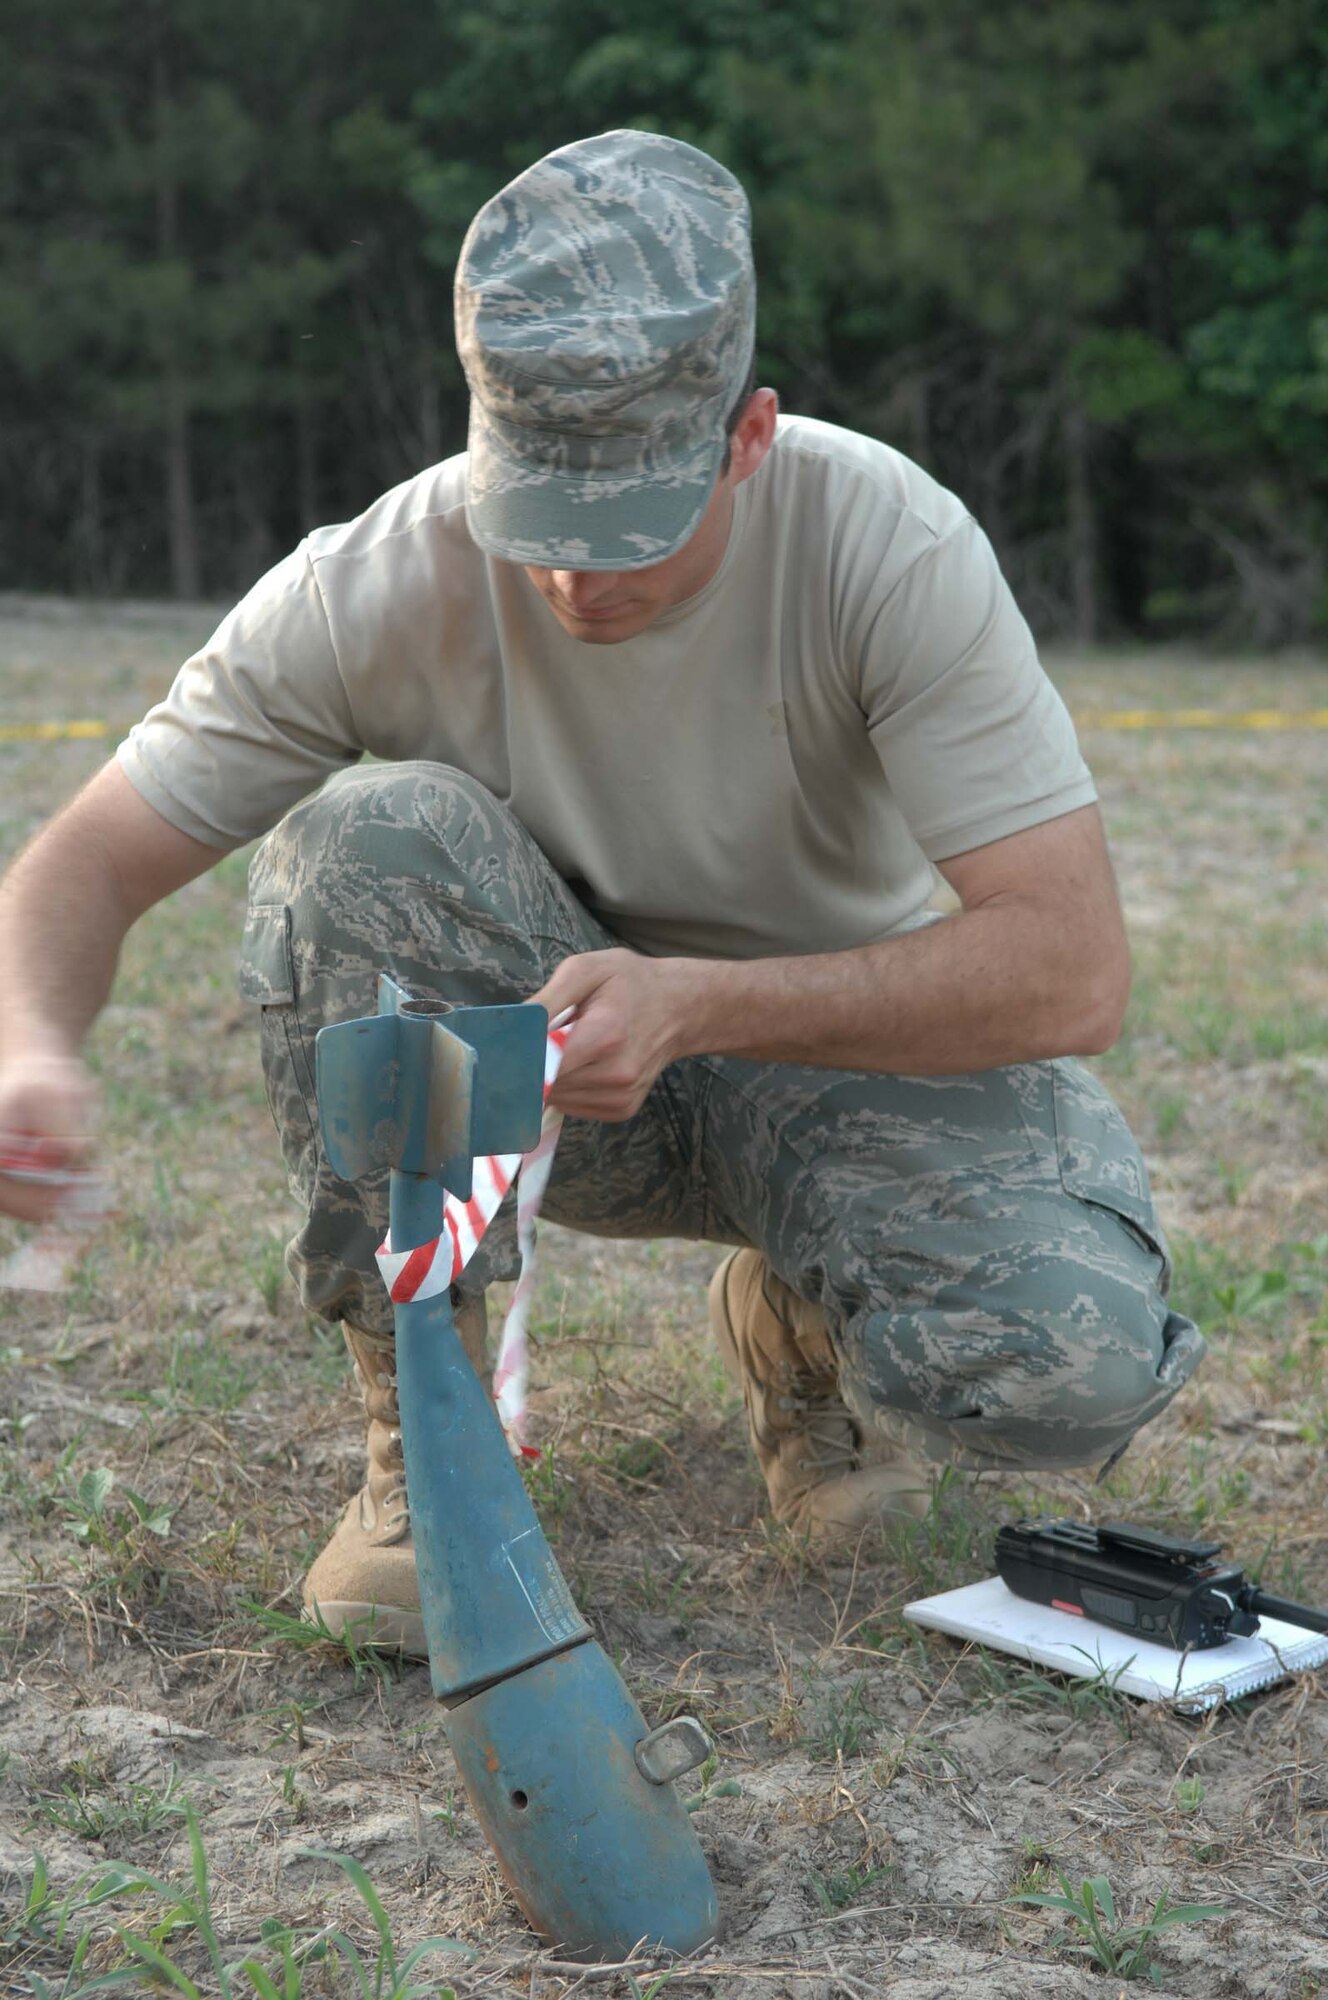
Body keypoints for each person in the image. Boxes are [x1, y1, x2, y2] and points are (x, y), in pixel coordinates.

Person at [0, 130, 1203, 1657]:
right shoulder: (379, 575)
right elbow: (87, 862)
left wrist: (701, 1001)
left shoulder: (884, 544)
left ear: (748, 436)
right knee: (356, 839)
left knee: (1065, 1360)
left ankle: (799, 1328)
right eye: (541, 524)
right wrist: (31, 1043)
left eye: (628, 526)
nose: (578, 584)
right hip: (557, 1091)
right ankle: (428, 1444)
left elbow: (1071, 970)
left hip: (835, 1070)